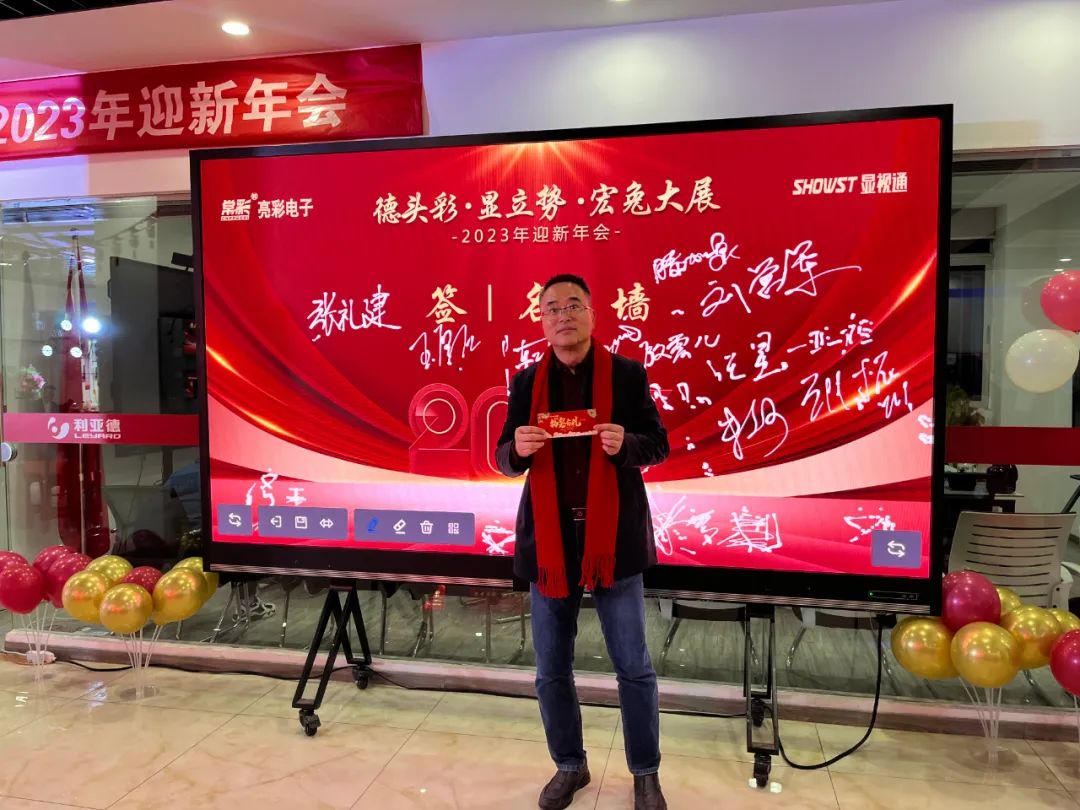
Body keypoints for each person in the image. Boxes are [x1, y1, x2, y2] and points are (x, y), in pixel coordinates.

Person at [496, 274, 669, 810]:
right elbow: (502, 457)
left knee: (633, 666)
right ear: (542, 320)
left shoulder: (627, 375)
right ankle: (569, 765)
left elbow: (658, 445)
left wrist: (627, 445)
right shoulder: (527, 382)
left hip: (612, 540)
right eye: (552, 308)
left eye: (573, 305)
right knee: (551, 668)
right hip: (550, 546)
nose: (563, 315)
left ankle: (645, 773)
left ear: (593, 314)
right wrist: (517, 450)